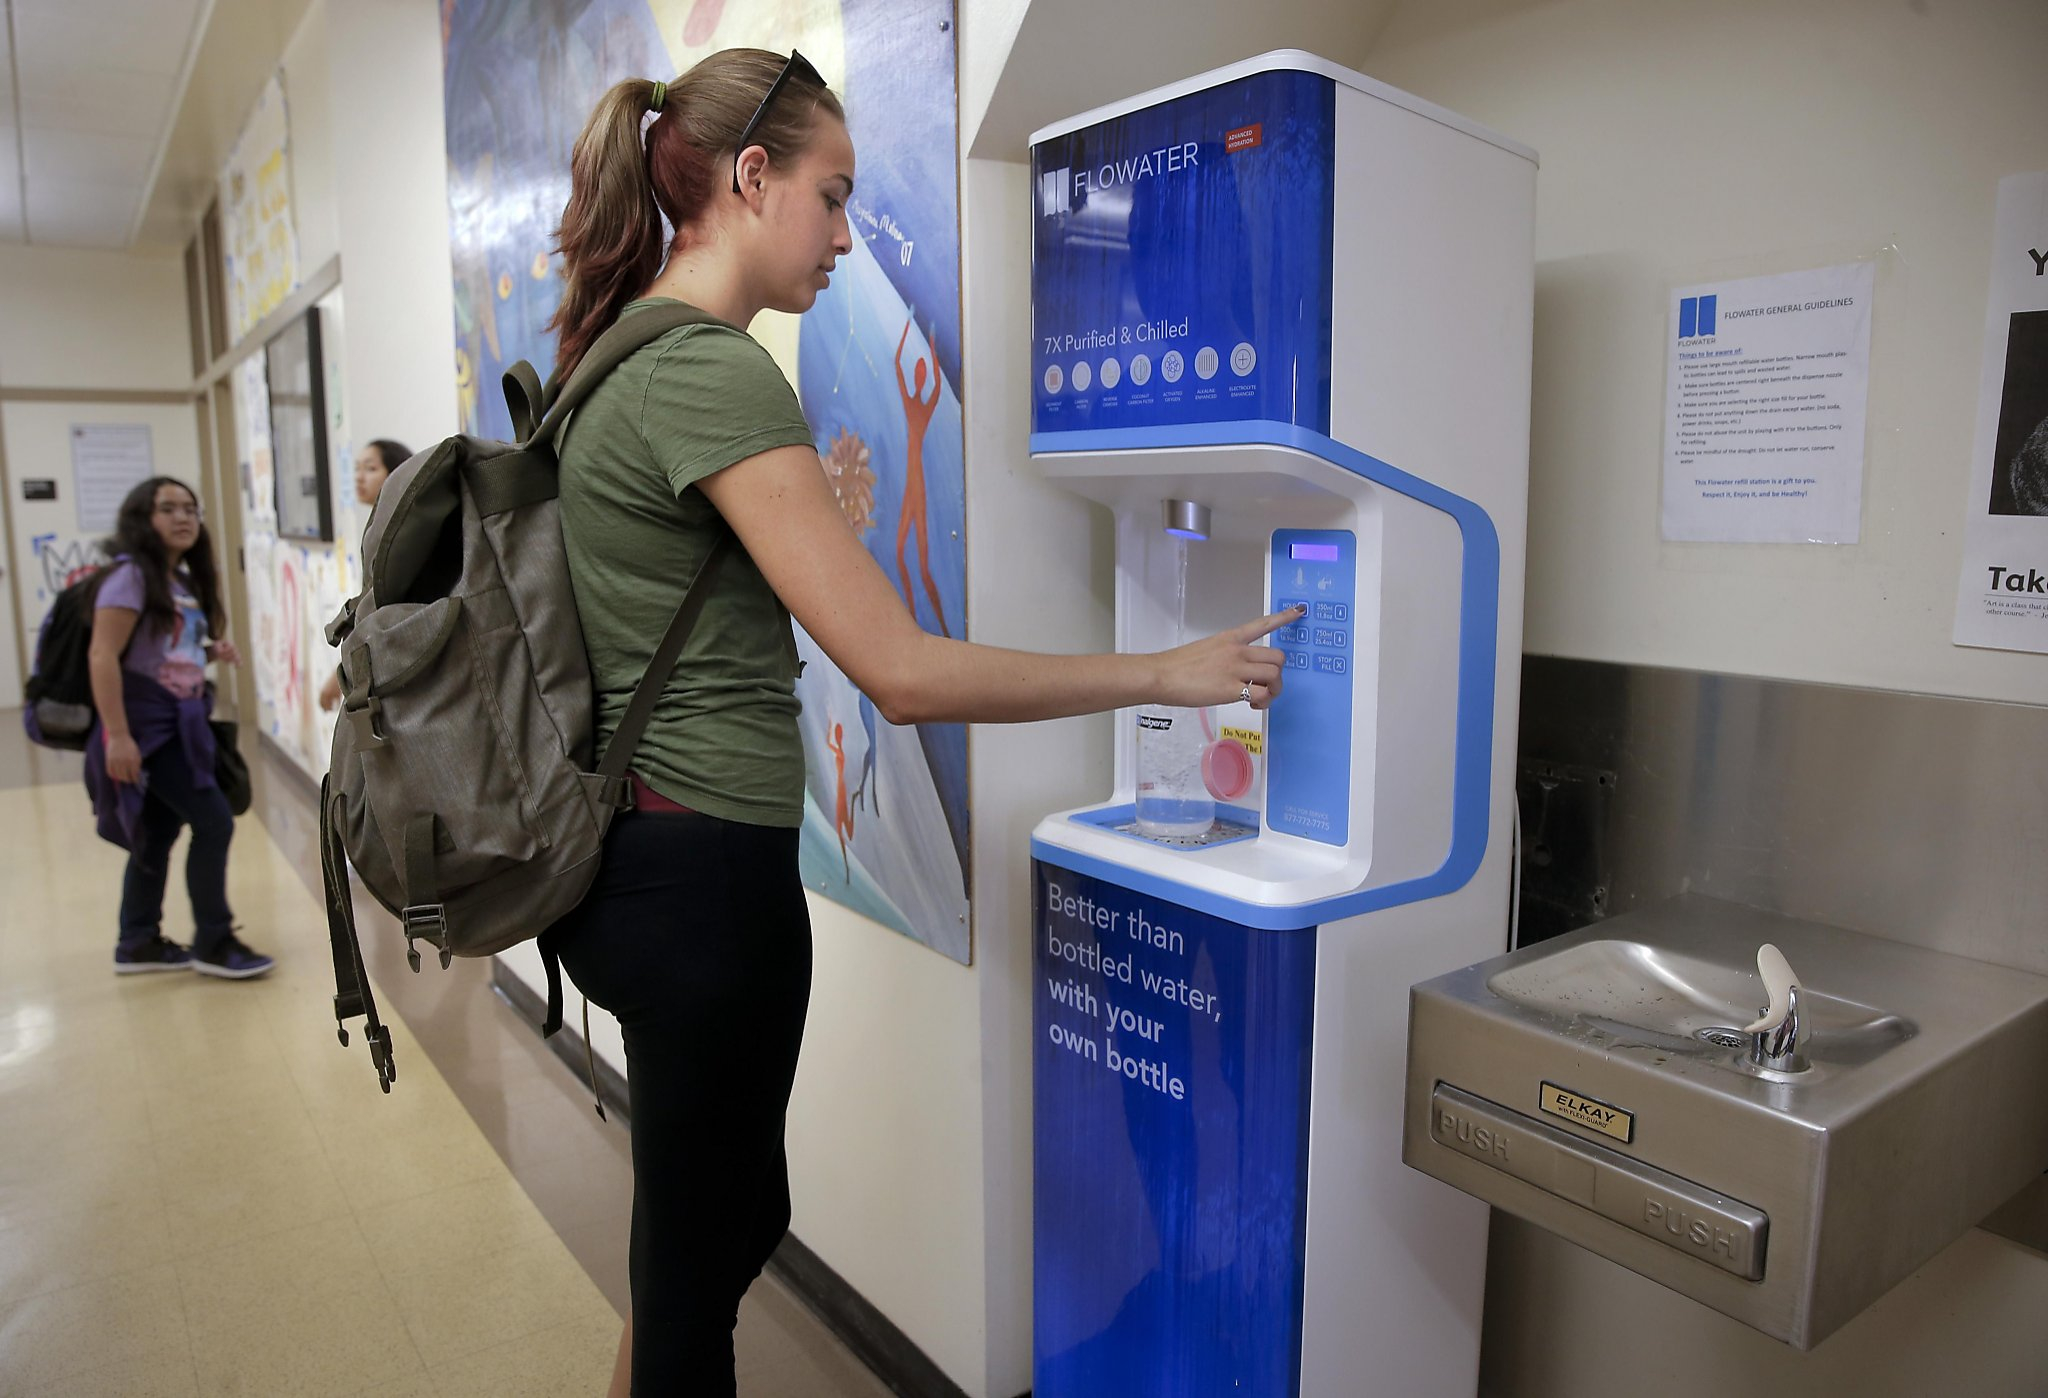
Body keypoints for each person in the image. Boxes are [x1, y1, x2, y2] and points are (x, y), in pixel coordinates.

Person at [541, 50, 1298, 1397]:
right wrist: (1163, 671)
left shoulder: (612, 358)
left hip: (634, 867)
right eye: (832, 197)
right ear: (750, 176)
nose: (844, 235)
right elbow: (900, 668)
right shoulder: (708, 372)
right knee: (701, 1279)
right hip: (701, 884)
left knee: (688, 1248)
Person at [85, 477, 273, 979]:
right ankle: (214, 940)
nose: (183, 517)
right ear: (142, 518)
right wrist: (118, 736)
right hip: (150, 728)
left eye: (190, 508)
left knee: (159, 829)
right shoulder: (130, 578)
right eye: (168, 508)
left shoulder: (179, 581)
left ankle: (138, 940)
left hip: (179, 721)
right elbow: (102, 656)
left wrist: (210, 652)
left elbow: (161, 650)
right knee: (214, 822)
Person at [320, 439, 410, 712]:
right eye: (356, 468)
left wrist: (340, 676)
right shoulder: (377, 525)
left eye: (370, 469)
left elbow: (376, 609)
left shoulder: (396, 529)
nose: (359, 477)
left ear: (397, 472)